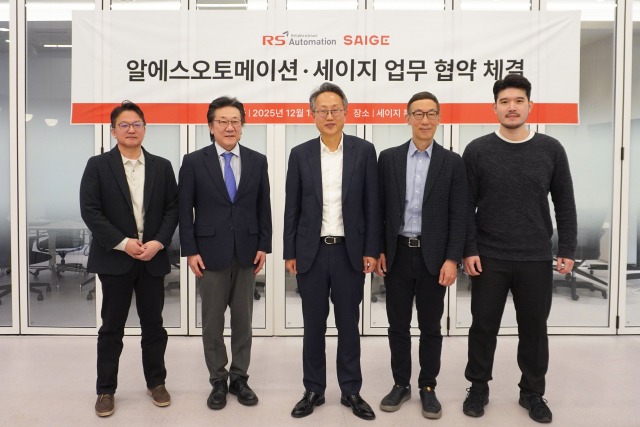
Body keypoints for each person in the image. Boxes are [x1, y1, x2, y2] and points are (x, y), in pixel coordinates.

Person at [461, 74, 577, 424]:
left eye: (518, 101)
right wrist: (469, 249)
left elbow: (564, 202)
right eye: (505, 101)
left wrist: (567, 247)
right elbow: (464, 206)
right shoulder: (477, 150)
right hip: (489, 255)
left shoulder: (551, 149)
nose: (511, 107)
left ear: (530, 105)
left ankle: (532, 392)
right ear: (494, 107)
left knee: (534, 329)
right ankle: (478, 387)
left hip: (535, 256)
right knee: (483, 326)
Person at [284, 82, 380, 421]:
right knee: (313, 326)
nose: (329, 115)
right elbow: (292, 207)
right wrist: (290, 252)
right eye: (322, 110)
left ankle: (351, 389)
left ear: (345, 113)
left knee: (348, 325)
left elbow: (372, 205)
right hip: (310, 253)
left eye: (335, 109)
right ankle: (314, 389)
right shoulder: (300, 154)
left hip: (349, 253)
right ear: (312, 115)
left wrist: (371, 249)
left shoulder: (363, 151)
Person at [80, 101, 178, 417]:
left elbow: (172, 209)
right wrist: (123, 243)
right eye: (124, 124)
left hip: (152, 258)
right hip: (115, 259)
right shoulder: (98, 165)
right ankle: (105, 390)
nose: (131, 129)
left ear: (145, 129)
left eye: (136, 124)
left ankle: (156, 382)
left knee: (154, 326)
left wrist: (158, 243)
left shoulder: (162, 166)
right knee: (112, 328)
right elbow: (90, 210)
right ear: (113, 131)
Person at [376, 91, 468, 419]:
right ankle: (401, 384)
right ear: (407, 118)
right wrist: (379, 250)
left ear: (439, 119)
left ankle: (428, 386)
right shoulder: (388, 158)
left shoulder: (452, 162)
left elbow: (459, 214)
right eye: (418, 113)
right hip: (398, 254)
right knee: (397, 325)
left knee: (430, 326)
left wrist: (452, 259)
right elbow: (379, 209)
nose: (424, 120)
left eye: (430, 114)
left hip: (434, 258)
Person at [178, 96, 272, 411]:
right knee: (212, 322)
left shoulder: (257, 161)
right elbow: (184, 210)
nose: (229, 127)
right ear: (211, 126)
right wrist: (190, 250)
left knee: (244, 321)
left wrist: (264, 244)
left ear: (242, 126)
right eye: (222, 121)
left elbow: (263, 206)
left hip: (247, 252)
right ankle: (218, 379)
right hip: (209, 253)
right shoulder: (194, 162)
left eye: (235, 121)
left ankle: (240, 377)